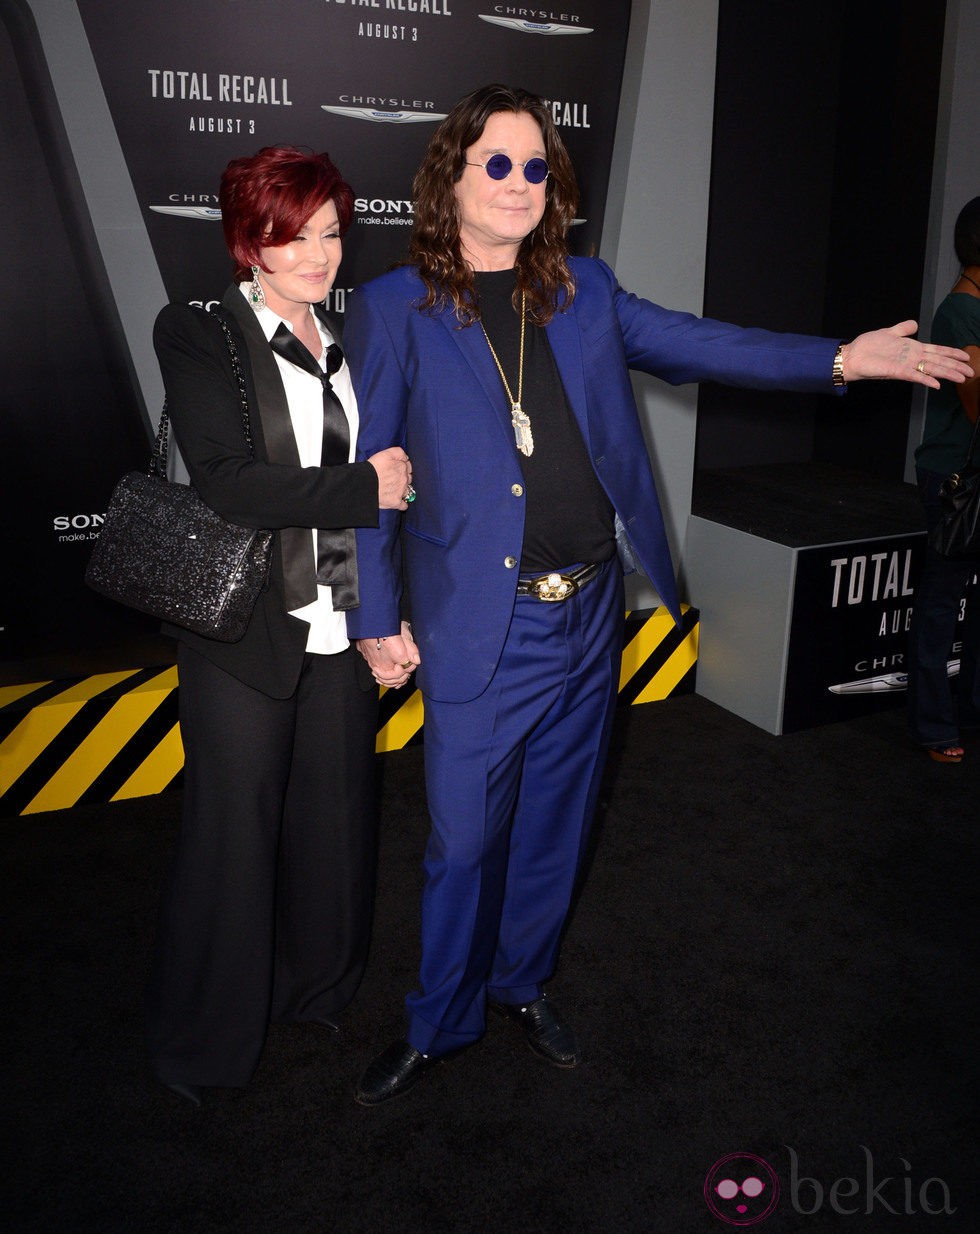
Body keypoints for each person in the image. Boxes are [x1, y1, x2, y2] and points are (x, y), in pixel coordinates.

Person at [343, 84, 973, 1105]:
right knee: (461, 844)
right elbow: (371, 476)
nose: (515, 183)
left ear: (554, 187)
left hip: (589, 615)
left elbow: (705, 341)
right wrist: (375, 621)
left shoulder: (583, 292)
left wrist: (843, 358)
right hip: (474, 627)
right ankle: (437, 1017)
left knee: (556, 823)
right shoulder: (390, 310)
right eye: (494, 163)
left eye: (534, 166)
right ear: (450, 177)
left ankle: (519, 983)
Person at [144, 145, 415, 1105]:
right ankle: (203, 1044)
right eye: (288, 235)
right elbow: (227, 479)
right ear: (246, 239)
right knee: (230, 840)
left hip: (341, 623)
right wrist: (365, 486)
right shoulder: (202, 329)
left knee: (337, 828)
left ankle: (319, 996)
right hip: (243, 631)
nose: (314, 254)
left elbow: (399, 472)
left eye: (330, 232)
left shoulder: (355, 336)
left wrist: (389, 613)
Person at [907, 196, 980, 763]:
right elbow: (977, 404)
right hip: (956, 478)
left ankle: (968, 714)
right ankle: (935, 726)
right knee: (941, 602)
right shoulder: (961, 313)